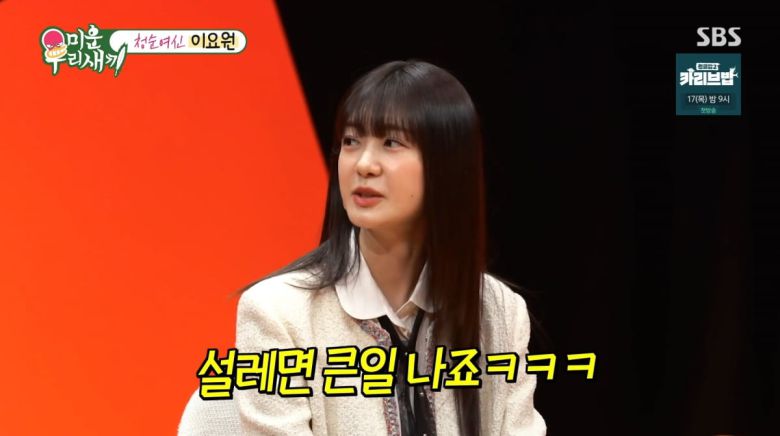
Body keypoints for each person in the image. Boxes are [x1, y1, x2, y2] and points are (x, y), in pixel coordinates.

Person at [234, 60, 546, 435]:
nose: (364, 164)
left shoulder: (500, 312)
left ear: (447, 165)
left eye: (391, 143)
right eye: (351, 141)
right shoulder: (277, 312)